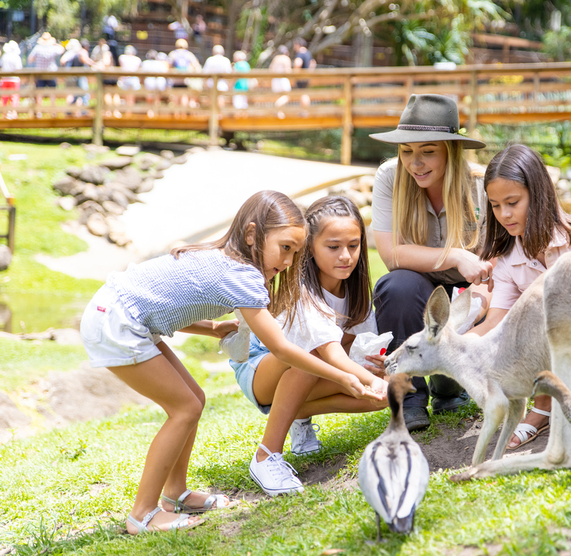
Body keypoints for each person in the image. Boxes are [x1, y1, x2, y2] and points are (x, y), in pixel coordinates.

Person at [79, 191, 382, 534]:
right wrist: (343, 377)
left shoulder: (224, 256)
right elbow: (281, 349)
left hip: (120, 311)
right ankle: (142, 515)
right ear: (252, 235)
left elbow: (165, 303)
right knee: (184, 409)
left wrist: (213, 328)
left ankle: (175, 494)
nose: (288, 261)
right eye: (285, 248)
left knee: (194, 401)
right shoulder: (245, 277)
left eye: (296, 252)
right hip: (116, 321)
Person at [227, 196, 389, 496]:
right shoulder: (301, 290)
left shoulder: (355, 293)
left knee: (380, 396)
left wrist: (379, 373)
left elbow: (360, 350)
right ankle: (267, 455)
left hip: (308, 373)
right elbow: (328, 351)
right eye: (333, 247)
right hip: (261, 367)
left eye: (353, 246)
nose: (345, 256)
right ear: (310, 248)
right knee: (311, 355)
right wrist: (371, 380)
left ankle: (295, 412)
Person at [470, 144, 571, 450]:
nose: (505, 214)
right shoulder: (509, 259)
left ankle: (550, 406)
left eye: (513, 202)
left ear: (537, 195)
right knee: (528, 319)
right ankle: (551, 403)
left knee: (551, 304)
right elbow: (498, 320)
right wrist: (451, 343)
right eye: (496, 206)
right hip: (564, 351)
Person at [369, 93, 491, 431]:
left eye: (427, 152)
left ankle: (450, 383)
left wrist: (482, 302)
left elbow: (493, 267)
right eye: (407, 152)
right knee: (397, 286)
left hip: (469, 291)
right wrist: (454, 255)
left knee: (470, 305)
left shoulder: (481, 186)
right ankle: (410, 397)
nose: (415, 163)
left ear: (450, 151)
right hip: (419, 288)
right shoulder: (389, 178)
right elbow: (391, 254)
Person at [27, 32, 64, 115]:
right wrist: (55, 44)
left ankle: (39, 112)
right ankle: (53, 111)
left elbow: (30, 59)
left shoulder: (37, 48)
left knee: (39, 93)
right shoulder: (52, 48)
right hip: (51, 73)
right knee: (52, 93)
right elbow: (62, 50)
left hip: (40, 73)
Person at [168, 38, 201, 114]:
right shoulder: (188, 54)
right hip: (185, 80)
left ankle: (176, 117)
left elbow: (168, 66)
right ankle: (183, 116)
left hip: (175, 81)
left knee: (175, 99)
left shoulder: (173, 54)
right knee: (184, 98)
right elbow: (196, 66)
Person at [61, 39, 95, 111]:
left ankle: (70, 112)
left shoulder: (74, 53)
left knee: (75, 95)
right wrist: (94, 64)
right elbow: (63, 60)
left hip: (72, 77)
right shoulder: (76, 52)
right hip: (78, 77)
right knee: (83, 94)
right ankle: (83, 112)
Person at [141, 50, 169, 117]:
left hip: (149, 82)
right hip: (158, 82)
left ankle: (150, 113)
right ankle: (156, 113)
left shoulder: (145, 63)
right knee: (157, 98)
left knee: (149, 99)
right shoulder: (159, 63)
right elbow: (166, 72)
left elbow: (141, 74)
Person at [0, 41, 22, 117]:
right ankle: (13, 113)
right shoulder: (16, 57)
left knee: (4, 96)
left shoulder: (5, 56)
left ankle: (4, 113)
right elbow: (19, 68)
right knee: (14, 96)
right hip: (14, 79)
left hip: (4, 79)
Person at [291, 38, 315, 110]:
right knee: (304, 93)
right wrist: (310, 73)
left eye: (295, 45)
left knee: (301, 94)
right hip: (306, 77)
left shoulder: (300, 53)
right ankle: (305, 110)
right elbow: (313, 63)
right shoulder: (308, 53)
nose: (294, 47)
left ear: (298, 45)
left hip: (300, 77)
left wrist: (295, 74)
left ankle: (304, 111)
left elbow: (298, 63)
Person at [117, 45, 142, 116]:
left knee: (126, 97)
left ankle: (128, 113)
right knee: (131, 97)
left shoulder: (122, 58)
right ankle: (129, 113)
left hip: (126, 79)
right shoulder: (137, 59)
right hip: (132, 79)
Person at [268, 45, 291, 119]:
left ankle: (279, 113)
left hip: (275, 80)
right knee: (287, 96)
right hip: (282, 79)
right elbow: (288, 70)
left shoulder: (275, 58)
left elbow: (270, 69)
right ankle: (276, 106)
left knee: (278, 96)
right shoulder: (285, 58)